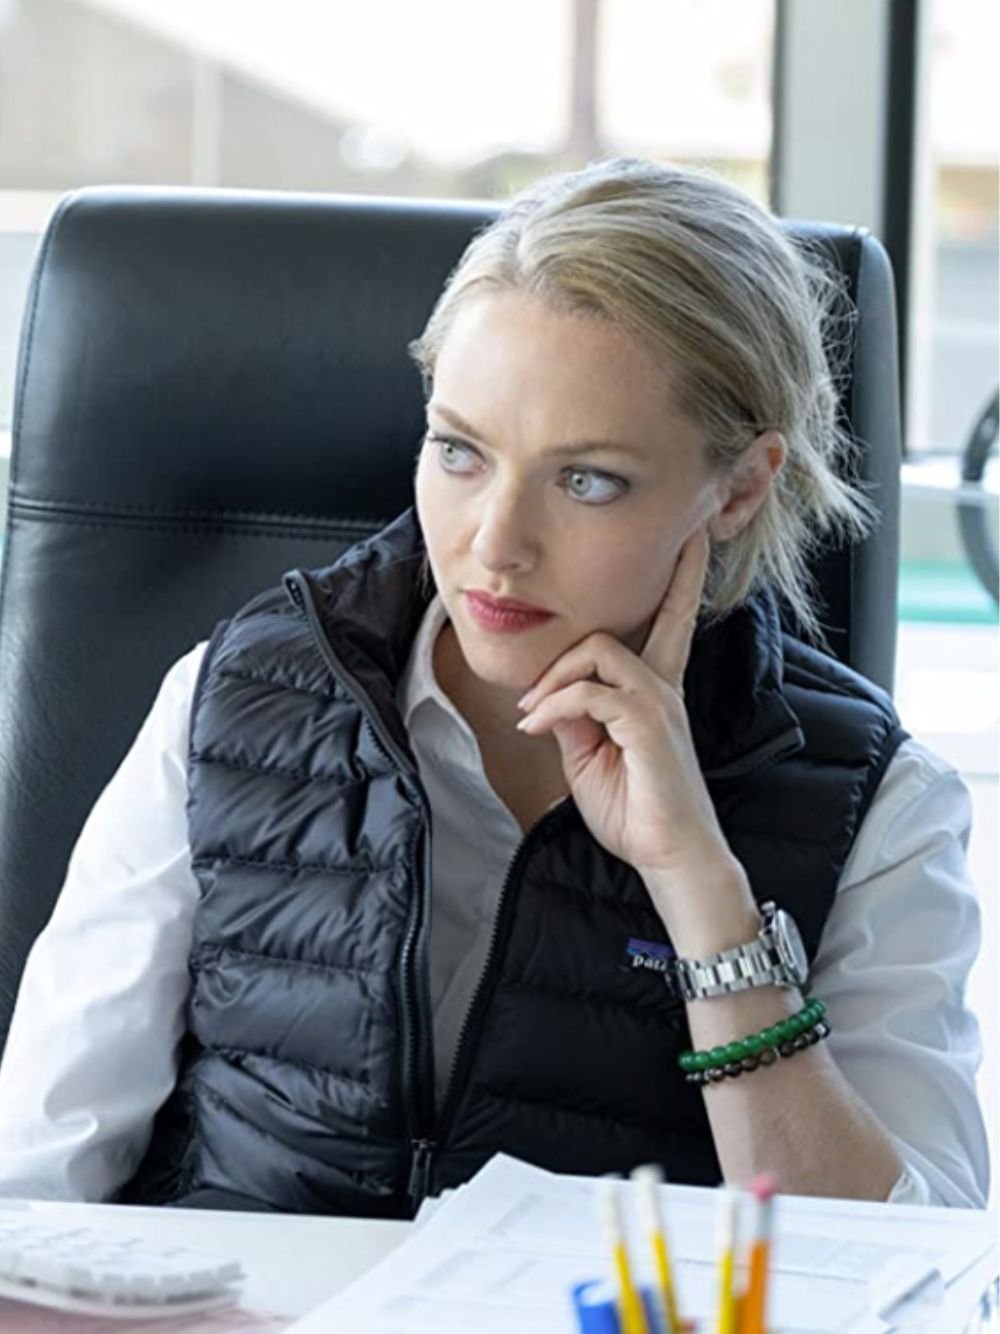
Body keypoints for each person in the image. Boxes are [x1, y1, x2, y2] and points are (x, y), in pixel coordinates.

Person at [0, 159, 988, 1215]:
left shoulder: (879, 804)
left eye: (587, 480)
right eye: (460, 452)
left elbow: (908, 1258)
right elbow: (33, 1182)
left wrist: (701, 885)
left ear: (739, 486)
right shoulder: (231, 699)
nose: (495, 544)